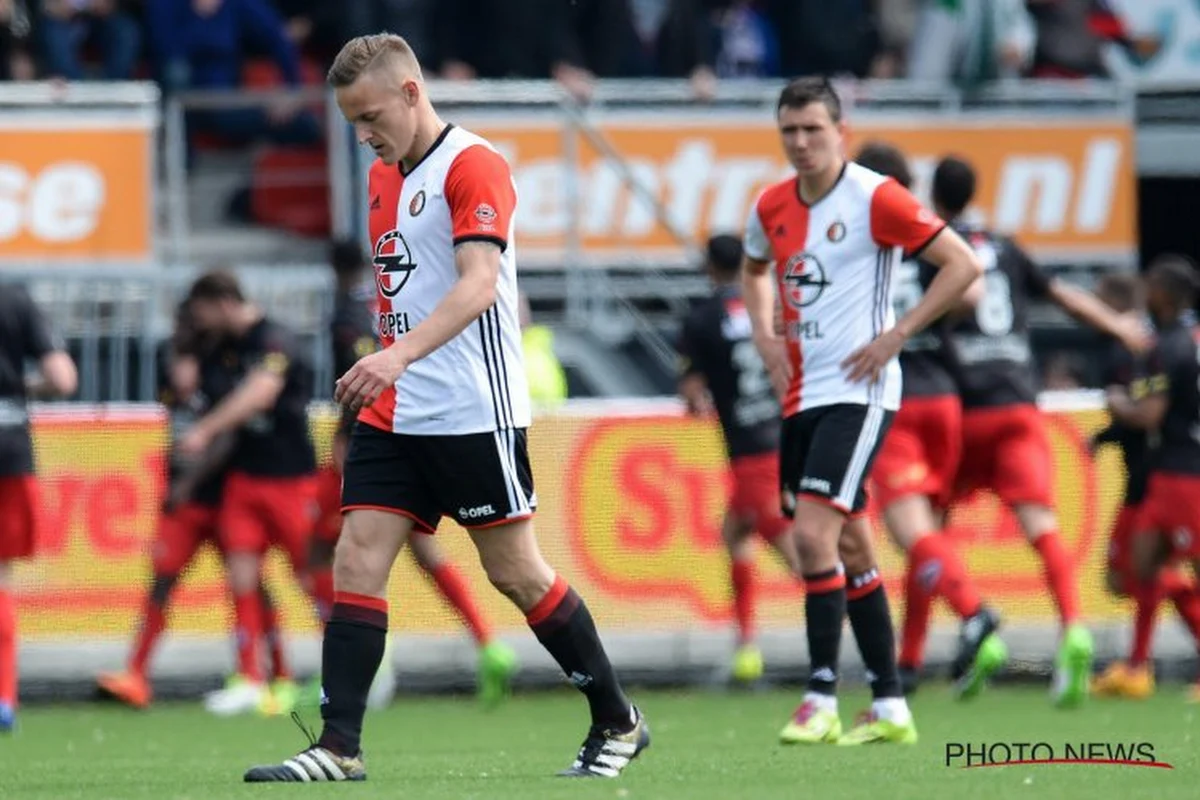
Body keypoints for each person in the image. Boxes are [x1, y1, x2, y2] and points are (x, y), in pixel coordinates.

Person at [243, 33, 648, 782]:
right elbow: (406, 291)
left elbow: (479, 283)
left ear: (410, 91)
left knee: (517, 574)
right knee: (357, 560)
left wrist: (394, 355)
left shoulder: (473, 164)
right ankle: (339, 746)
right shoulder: (380, 177)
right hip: (397, 412)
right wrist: (384, 366)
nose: (363, 133)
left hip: (472, 408)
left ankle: (618, 719)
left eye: (370, 115)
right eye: (351, 121)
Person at [741, 77, 983, 745]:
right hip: (801, 396)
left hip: (860, 391)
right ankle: (890, 703)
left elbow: (962, 265)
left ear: (838, 131)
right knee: (850, 542)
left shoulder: (874, 196)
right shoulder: (770, 206)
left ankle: (820, 697)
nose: (800, 142)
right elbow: (754, 269)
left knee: (812, 539)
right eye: (789, 130)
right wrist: (765, 336)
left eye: (813, 129)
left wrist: (898, 333)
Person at [932, 155, 1149, 707]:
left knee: (924, 529)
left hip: (960, 408)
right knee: (1041, 524)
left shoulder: (929, 244)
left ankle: (927, 656)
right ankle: (1073, 627)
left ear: (933, 198)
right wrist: (1118, 324)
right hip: (1019, 404)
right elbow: (1063, 296)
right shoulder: (1005, 247)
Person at [312, 238, 517, 709]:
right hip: (426, 422)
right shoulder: (394, 296)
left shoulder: (345, 312)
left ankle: (365, 665)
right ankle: (488, 642)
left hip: (376, 436)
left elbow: (358, 375)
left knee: (328, 552)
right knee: (424, 548)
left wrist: (347, 443)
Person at [852, 141, 1003, 699]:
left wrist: (892, 327)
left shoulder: (864, 236)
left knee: (908, 532)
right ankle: (910, 660)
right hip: (946, 398)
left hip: (900, 399)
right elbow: (976, 290)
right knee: (926, 537)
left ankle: (974, 611)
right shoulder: (926, 229)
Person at [96, 302, 292, 710]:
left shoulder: (224, 374)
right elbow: (176, 430)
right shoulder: (172, 379)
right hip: (186, 504)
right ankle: (136, 673)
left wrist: (188, 481)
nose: (179, 370)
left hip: (222, 498)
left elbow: (226, 437)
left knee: (252, 584)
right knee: (162, 581)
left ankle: (275, 673)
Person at [178, 270, 329, 717]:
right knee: (241, 574)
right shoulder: (221, 347)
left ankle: (350, 666)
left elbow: (261, 394)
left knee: (310, 578)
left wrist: (205, 430)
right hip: (244, 479)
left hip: (291, 477)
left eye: (203, 311)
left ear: (223, 300)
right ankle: (249, 676)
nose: (200, 321)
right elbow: (190, 385)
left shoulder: (275, 339)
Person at [677, 233, 801, 684]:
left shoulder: (702, 319)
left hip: (751, 450)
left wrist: (700, 397)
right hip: (786, 434)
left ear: (710, 268)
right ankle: (746, 646)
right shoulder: (768, 307)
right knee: (735, 531)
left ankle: (857, 631)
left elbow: (693, 395)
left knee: (801, 557)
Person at [1105, 257, 1200, 702]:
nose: (1147, 291)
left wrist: (1118, 403)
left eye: (1154, 285)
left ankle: (1139, 666)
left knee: (1164, 569)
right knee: (1143, 568)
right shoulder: (1182, 341)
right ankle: (1138, 667)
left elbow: (1149, 415)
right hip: (1167, 475)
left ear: (1166, 294)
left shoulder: (1171, 346)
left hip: (1185, 473)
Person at [0, 282, 77, 732]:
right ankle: (4, 695)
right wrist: (19, 388)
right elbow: (63, 378)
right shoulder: (15, 299)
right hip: (9, 449)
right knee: (2, 577)